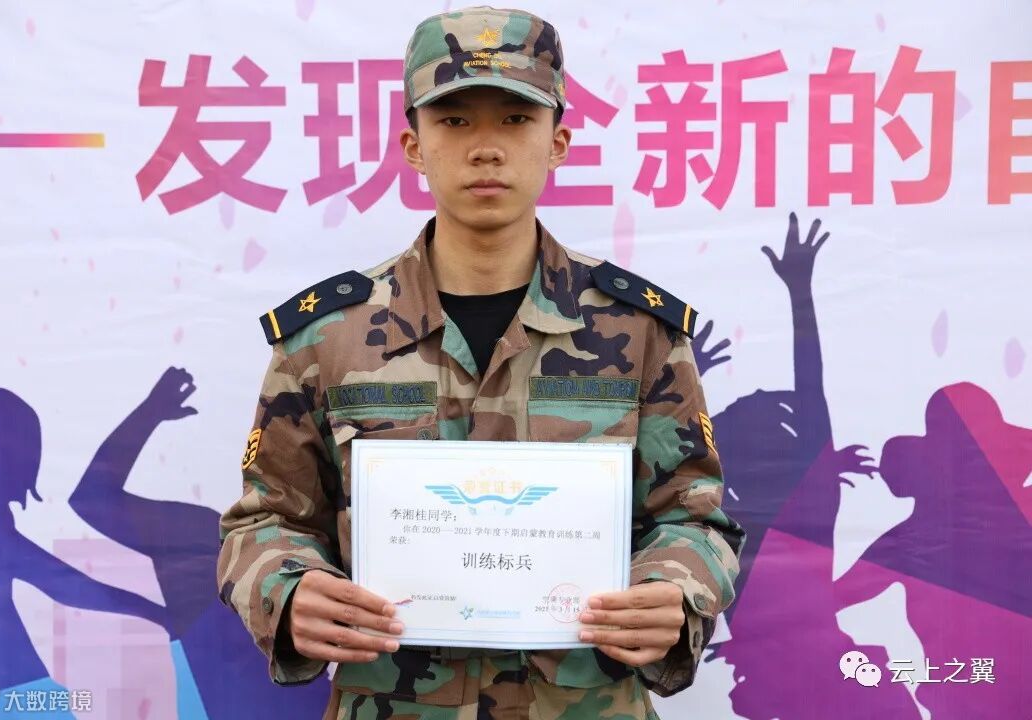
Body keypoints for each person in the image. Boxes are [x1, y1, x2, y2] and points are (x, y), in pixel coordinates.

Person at [217, 6, 744, 718]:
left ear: (557, 143)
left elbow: (694, 517)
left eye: (516, 119)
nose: (487, 148)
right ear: (413, 145)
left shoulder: (638, 329)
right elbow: (264, 521)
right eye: (455, 120)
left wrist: (674, 589)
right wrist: (289, 590)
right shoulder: (326, 337)